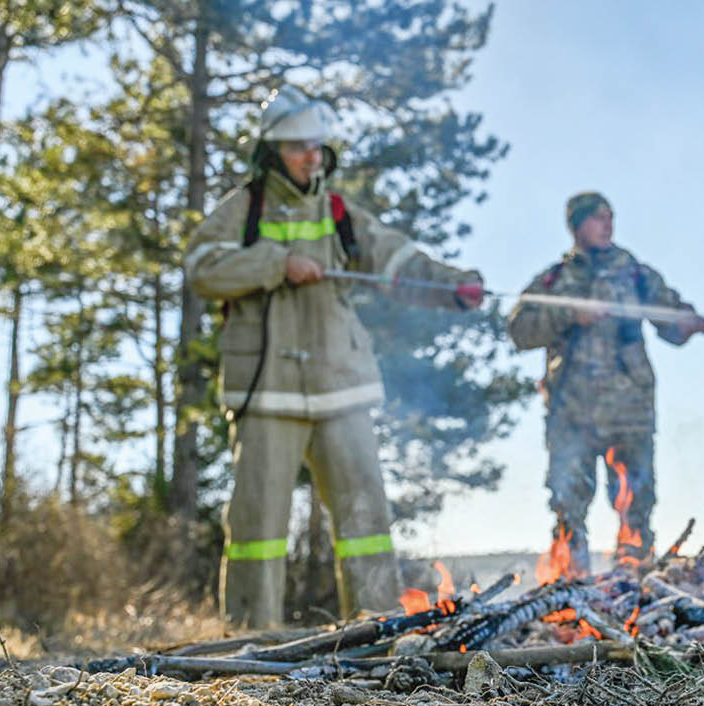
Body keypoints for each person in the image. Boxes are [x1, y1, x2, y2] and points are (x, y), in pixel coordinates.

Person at [184, 87, 484, 627]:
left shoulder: (340, 213)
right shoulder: (242, 210)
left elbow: (397, 260)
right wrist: (276, 263)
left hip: (342, 385)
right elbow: (202, 267)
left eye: (316, 146)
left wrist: (451, 286)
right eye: (299, 147)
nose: (312, 157)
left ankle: (378, 631)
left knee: (366, 519)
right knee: (256, 527)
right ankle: (251, 640)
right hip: (266, 389)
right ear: (273, 151)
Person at [506, 192, 704, 576]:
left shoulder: (634, 274)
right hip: (571, 411)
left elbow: (670, 320)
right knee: (568, 500)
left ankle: (635, 578)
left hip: (629, 410)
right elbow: (519, 331)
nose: (608, 225)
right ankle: (571, 581)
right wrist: (569, 315)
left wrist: (687, 321)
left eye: (611, 217)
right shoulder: (554, 281)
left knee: (636, 500)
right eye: (598, 218)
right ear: (577, 225)